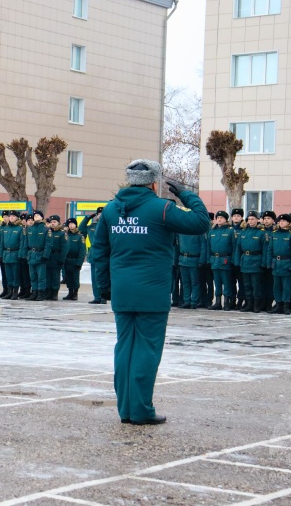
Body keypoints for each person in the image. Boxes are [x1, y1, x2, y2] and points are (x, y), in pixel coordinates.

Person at [92, 159, 209, 426]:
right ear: (154, 183)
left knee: (124, 349)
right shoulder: (162, 208)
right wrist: (185, 193)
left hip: (122, 290)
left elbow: (99, 252)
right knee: (146, 350)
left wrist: (105, 287)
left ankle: (126, 410)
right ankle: (141, 410)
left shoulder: (111, 210)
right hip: (152, 292)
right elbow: (201, 222)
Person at [233, 211, 268, 312]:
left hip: (256, 260)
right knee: (246, 285)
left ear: (257, 220)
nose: (251, 221)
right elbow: (238, 248)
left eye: (253, 219)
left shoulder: (262, 233)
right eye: (249, 219)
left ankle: (257, 305)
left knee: (256, 285)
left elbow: (265, 249)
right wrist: (237, 262)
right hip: (245, 261)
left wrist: (263, 263)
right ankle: (249, 303)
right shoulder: (243, 232)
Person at [266, 214, 291, 315]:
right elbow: (270, 250)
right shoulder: (274, 234)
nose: (281, 223)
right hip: (276, 263)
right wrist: (269, 264)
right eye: (280, 221)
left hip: (286, 263)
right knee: (276, 286)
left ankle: (286, 305)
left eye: (284, 221)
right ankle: (278, 304)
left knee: (286, 286)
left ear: (289, 223)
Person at [177, 215, 207, 309]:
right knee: (185, 282)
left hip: (194, 259)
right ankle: (187, 300)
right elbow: (177, 246)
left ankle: (194, 301)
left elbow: (203, 247)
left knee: (195, 282)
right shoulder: (181, 231)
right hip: (183, 259)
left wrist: (202, 260)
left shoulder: (199, 231)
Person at [207, 210, 235, 310]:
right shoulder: (212, 231)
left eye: (221, 218)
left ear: (226, 220)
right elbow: (208, 247)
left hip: (225, 259)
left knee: (226, 282)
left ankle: (227, 302)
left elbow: (234, 246)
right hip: (215, 259)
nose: (219, 219)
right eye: (218, 218)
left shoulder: (230, 231)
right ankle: (218, 302)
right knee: (217, 282)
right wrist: (208, 259)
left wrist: (233, 260)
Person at [79, 207, 104, 304]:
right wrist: (87, 218)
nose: (100, 216)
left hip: (104, 254)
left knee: (103, 277)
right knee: (94, 277)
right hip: (94, 254)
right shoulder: (91, 226)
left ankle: (104, 296)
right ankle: (97, 297)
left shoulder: (108, 226)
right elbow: (81, 230)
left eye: (102, 214)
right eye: (98, 214)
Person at [0, 210, 24, 300]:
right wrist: (1, 254)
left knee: (15, 275)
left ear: (17, 217)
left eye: (13, 216)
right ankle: (9, 292)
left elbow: (22, 242)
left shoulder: (20, 228)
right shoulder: (6, 228)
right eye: (10, 216)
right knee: (8, 275)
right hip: (6, 254)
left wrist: (21, 254)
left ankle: (15, 292)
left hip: (15, 253)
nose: (11, 217)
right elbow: (2, 242)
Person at [62, 218, 86, 301]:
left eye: (72, 224)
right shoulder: (66, 235)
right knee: (68, 277)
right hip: (67, 259)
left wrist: (79, 262)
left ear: (76, 225)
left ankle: (75, 293)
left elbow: (82, 251)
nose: (71, 225)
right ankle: (70, 292)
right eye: (69, 224)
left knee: (75, 277)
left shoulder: (80, 236)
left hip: (75, 260)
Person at [44, 215, 67, 300]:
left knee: (55, 276)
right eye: (51, 222)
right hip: (48, 256)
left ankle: (54, 292)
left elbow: (65, 248)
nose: (53, 224)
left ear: (58, 223)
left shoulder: (62, 233)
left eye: (54, 222)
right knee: (47, 276)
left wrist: (61, 259)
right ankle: (48, 292)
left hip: (56, 257)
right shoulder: (47, 232)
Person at [260, 210, 277, 311]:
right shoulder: (260, 231)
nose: (266, 221)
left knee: (271, 283)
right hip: (261, 261)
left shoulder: (275, 232)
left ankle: (269, 303)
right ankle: (262, 302)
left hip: (272, 261)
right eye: (264, 219)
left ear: (273, 220)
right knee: (262, 283)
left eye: (268, 218)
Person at [229, 207, 245, 309]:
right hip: (229, 259)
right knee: (231, 282)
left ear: (241, 217)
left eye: (238, 216)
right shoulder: (229, 229)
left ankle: (240, 300)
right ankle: (232, 300)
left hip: (240, 260)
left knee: (241, 282)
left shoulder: (244, 229)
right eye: (234, 216)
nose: (236, 218)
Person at [17, 213, 33, 298]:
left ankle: (28, 291)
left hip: (29, 255)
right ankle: (23, 290)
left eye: (31, 220)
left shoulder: (32, 230)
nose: (29, 222)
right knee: (23, 274)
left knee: (28, 275)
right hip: (22, 255)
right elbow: (21, 243)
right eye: (28, 220)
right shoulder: (23, 229)